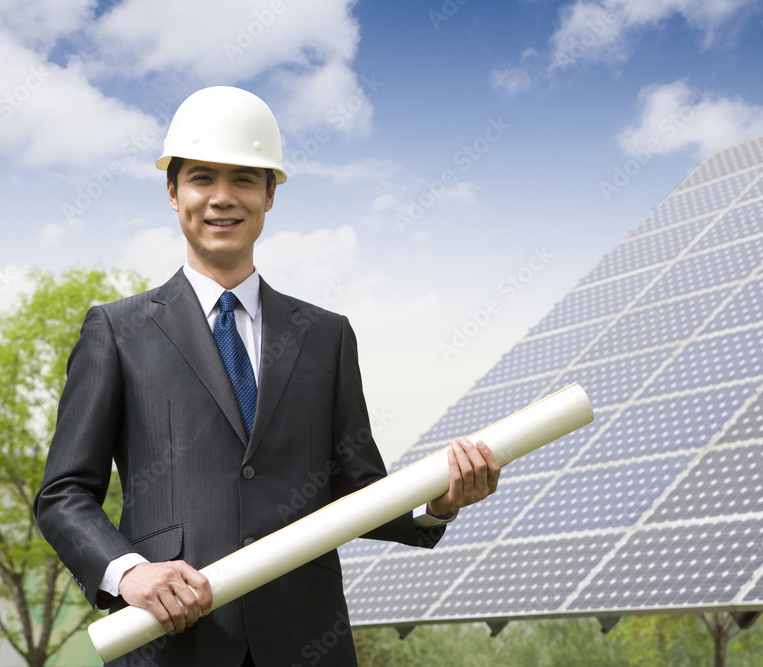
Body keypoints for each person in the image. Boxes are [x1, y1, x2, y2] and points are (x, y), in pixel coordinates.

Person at [33, 86, 500, 667]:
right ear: (173, 191)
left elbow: (357, 488)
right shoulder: (117, 331)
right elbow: (64, 495)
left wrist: (439, 504)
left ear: (271, 194)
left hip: (307, 639)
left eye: (245, 180)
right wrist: (130, 573)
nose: (222, 199)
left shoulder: (326, 336)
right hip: (174, 641)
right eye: (202, 178)